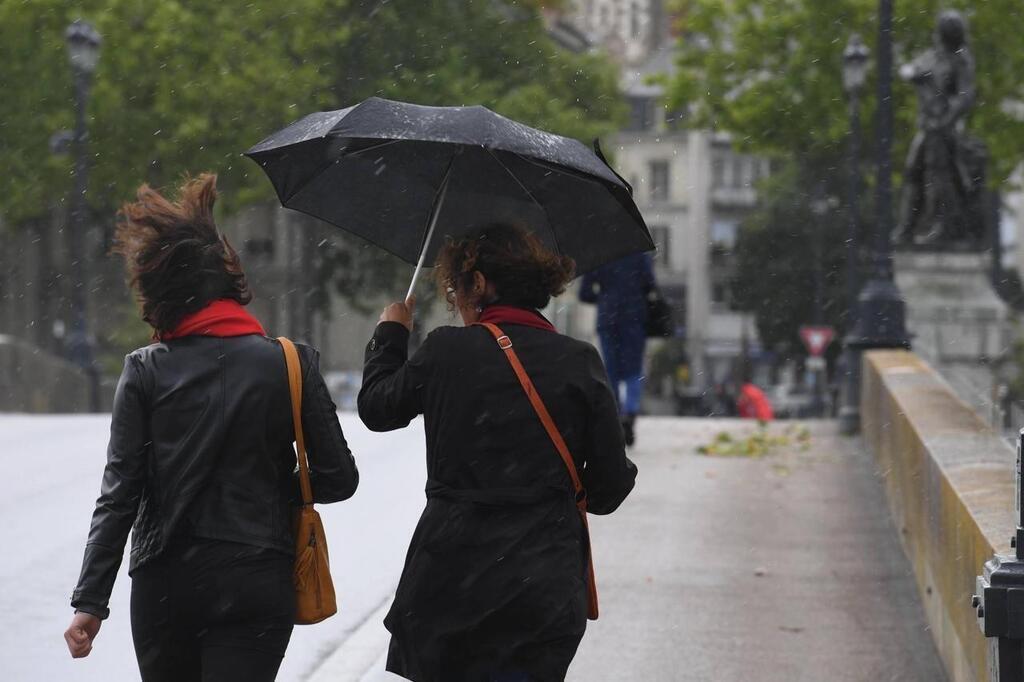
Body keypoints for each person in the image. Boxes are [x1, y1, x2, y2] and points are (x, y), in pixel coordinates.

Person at [64, 174, 358, 681]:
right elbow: (338, 478)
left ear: (160, 292)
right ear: (230, 282)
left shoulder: (145, 370)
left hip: (166, 583)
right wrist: (269, 488)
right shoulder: (291, 363)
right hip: (256, 576)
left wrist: (91, 599)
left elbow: (120, 495)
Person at [359, 224, 638, 682]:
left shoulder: (447, 351)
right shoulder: (578, 360)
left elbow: (377, 409)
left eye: (457, 288)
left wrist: (390, 333)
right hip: (541, 587)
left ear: (481, 285)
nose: (457, 300)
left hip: (451, 580)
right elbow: (608, 491)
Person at [577, 252, 656, 445]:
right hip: (634, 317)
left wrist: (605, 297)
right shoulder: (638, 253)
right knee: (633, 368)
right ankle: (630, 412)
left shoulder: (599, 256)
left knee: (610, 370)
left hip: (608, 318)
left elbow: (584, 293)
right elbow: (650, 284)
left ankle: (616, 415)